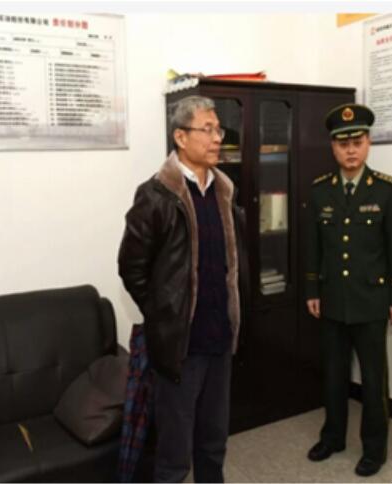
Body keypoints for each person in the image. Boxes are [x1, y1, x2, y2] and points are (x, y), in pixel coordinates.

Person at [118, 95, 247, 483]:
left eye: (218, 129)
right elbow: (131, 268)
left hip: (219, 338)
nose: (217, 138)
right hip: (180, 346)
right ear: (180, 136)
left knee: (213, 442)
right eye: (207, 129)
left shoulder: (224, 190)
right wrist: (165, 314)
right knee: (174, 455)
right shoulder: (157, 195)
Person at [304, 103, 392, 477]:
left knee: (373, 379)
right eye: (343, 144)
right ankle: (333, 437)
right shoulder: (320, 190)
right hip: (332, 299)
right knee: (333, 375)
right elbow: (313, 246)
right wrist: (312, 289)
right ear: (333, 147)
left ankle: (374, 449)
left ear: (368, 143)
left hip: (371, 301)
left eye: (358, 142)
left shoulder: (387, 189)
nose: (351, 150)